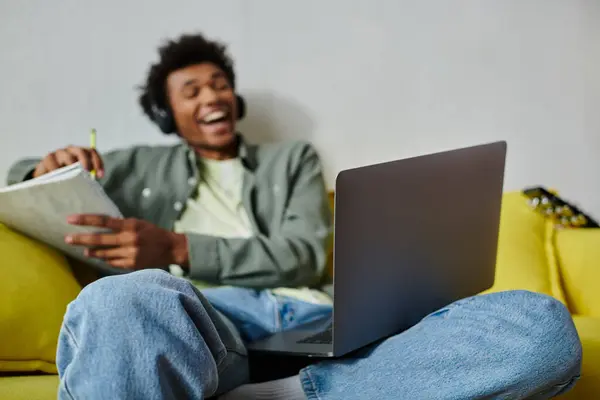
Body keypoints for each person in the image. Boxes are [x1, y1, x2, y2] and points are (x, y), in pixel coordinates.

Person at [7, 33, 581, 400]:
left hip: (321, 321)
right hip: (205, 323)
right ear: (165, 111)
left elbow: (305, 252)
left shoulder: (291, 160)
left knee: (538, 329)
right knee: (119, 302)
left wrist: (179, 248)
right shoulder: (139, 165)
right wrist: (44, 169)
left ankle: (279, 394)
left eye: (221, 84)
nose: (213, 96)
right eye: (192, 90)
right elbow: (24, 180)